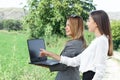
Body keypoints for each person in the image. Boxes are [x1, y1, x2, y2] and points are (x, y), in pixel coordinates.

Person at [40, 10, 113, 80]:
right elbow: (73, 61)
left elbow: (100, 70)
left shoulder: (101, 41)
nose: (87, 23)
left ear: (96, 23)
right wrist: (49, 54)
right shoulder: (96, 41)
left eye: (89, 20)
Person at [42, 15, 86, 80]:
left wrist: (41, 63)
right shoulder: (81, 42)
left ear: (75, 27)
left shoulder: (73, 44)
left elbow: (62, 65)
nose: (66, 28)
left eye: (68, 25)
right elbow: (65, 61)